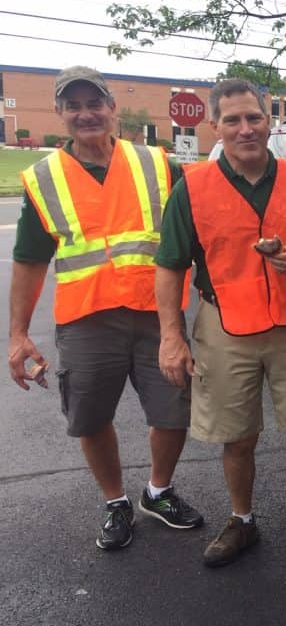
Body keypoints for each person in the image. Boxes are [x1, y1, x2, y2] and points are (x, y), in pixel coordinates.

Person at [154, 78, 286, 575]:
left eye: (255, 118)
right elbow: (170, 265)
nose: (246, 129)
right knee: (237, 437)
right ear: (215, 126)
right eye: (234, 120)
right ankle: (242, 520)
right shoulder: (192, 187)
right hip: (225, 327)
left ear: (269, 121)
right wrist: (172, 338)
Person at [8, 65, 203, 550]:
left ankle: (157, 492)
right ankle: (116, 501)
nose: (85, 114)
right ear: (60, 113)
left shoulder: (158, 164)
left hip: (160, 317)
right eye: (73, 105)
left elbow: (195, 235)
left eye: (94, 103)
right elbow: (30, 261)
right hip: (86, 319)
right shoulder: (44, 178)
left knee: (172, 411)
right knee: (90, 418)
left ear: (112, 108)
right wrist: (17, 334)